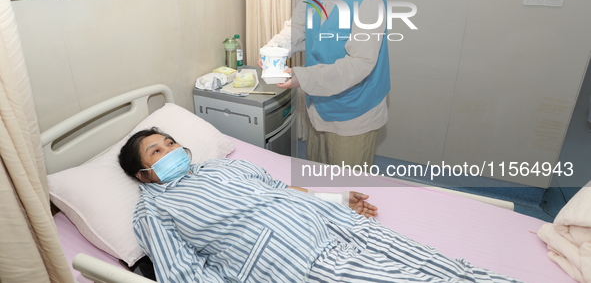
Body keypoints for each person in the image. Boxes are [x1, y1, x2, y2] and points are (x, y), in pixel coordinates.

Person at [119, 127, 523, 283]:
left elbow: (281, 187)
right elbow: (183, 272)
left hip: (338, 225)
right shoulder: (153, 210)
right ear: (144, 175)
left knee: (445, 268)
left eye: (170, 142)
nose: (171, 150)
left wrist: (339, 197)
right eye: (156, 151)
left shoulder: (221, 168)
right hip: (295, 260)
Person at [260, 0, 390, 167]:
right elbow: (299, 26)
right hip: (320, 99)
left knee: (347, 187)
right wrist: (276, 48)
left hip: (355, 108)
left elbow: (359, 64)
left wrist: (301, 77)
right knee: (318, 173)